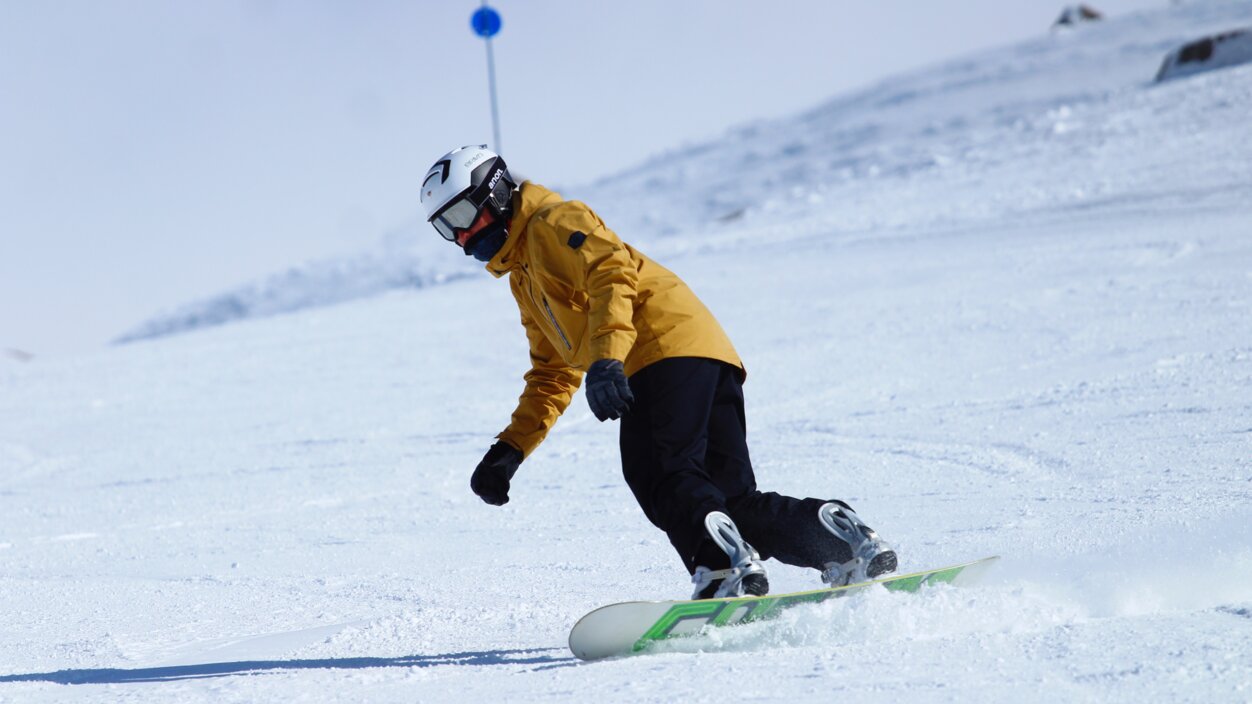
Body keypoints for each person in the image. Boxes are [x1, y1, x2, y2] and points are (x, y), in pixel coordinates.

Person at [420, 145, 897, 599]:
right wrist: (510, 449)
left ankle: (723, 568)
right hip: (704, 352)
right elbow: (551, 372)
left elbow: (610, 270)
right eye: (447, 228)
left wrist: (608, 358)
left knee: (661, 472)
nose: (461, 238)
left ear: (497, 191)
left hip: (658, 351)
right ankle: (839, 540)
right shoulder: (525, 278)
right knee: (729, 502)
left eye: (462, 217)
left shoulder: (552, 220)